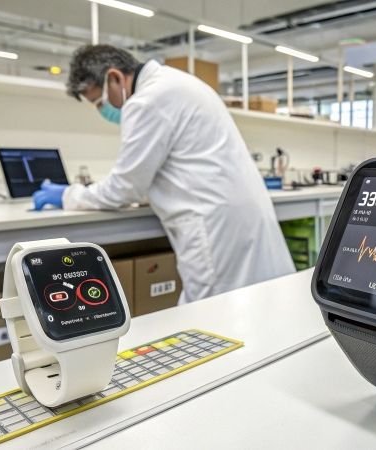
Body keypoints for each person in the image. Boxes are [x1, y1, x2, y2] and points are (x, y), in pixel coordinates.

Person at [33, 45, 295, 304]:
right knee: (260, 304)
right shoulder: (177, 83)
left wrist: (68, 194)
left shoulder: (147, 101)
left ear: (114, 77)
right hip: (236, 212)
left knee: (212, 316)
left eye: (99, 102)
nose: (103, 110)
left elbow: (124, 188)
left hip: (212, 224)